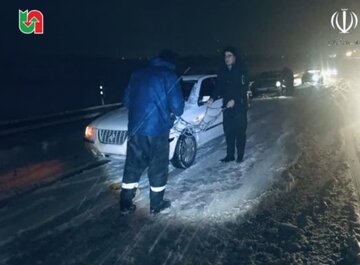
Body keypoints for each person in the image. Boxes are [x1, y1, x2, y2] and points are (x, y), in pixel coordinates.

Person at [120, 50, 184, 215]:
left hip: (135, 129)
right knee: (158, 167)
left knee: (132, 166)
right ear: (171, 61)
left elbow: (126, 101)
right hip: (158, 130)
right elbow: (178, 107)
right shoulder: (169, 75)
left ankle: (125, 204)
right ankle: (156, 205)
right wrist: (168, 113)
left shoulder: (137, 74)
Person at [208, 46, 248, 163]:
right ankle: (230, 155)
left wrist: (235, 100)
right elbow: (219, 87)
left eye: (229, 56)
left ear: (235, 57)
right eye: (225, 56)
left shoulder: (242, 69)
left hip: (239, 106)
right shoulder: (223, 71)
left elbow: (243, 87)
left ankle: (240, 155)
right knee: (229, 131)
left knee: (240, 131)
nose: (227, 58)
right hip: (227, 107)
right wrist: (212, 98)